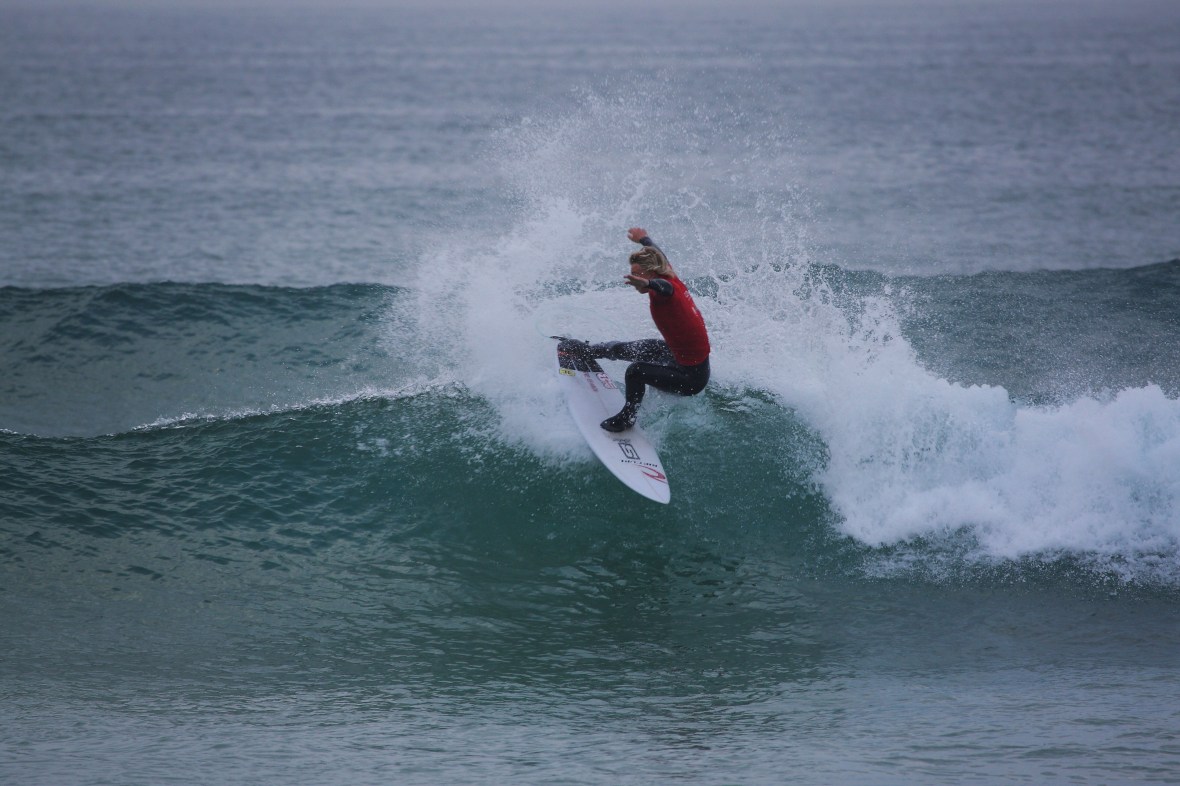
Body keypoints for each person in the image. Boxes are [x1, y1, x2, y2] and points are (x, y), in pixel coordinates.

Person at [560, 227, 711, 432]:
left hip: (690, 379)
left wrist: (647, 284)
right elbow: (659, 253)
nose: (632, 280)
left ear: (651, 273)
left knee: (635, 371)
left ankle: (627, 418)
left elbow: (663, 288)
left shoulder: (667, 289)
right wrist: (644, 239)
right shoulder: (668, 272)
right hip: (677, 357)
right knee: (631, 348)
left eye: (636, 275)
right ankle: (588, 352)